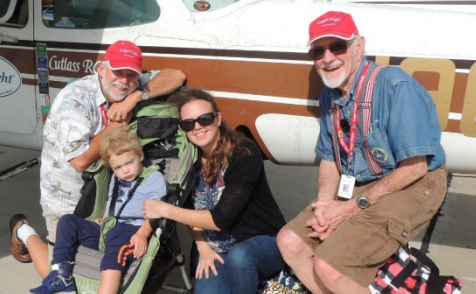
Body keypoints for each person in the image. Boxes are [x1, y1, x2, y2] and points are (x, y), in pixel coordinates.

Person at [276, 11, 447, 294]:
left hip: (414, 185)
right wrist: (323, 207)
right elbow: (330, 157)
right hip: (361, 182)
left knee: (330, 265)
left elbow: (416, 167)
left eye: (337, 46)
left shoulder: (394, 85)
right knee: (289, 242)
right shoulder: (329, 96)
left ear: (359, 46)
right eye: (318, 51)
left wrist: (350, 209)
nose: (327, 57)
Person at [10, 40, 185, 278]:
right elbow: (81, 161)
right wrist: (118, 123)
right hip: (68, 195)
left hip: (110, 192)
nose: (123, 81)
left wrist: (136, 97)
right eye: (117, 72)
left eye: (131, 75)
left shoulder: (130, 85)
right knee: (64, 277)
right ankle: (24, 230)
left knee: (102, 265)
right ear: (100, 68)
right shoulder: (75, 101)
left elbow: (177, 75)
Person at [142, 88, 286, 294]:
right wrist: (203, 248)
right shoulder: (187, 159)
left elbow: (219, 219)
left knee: (240, 258)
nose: (197, 127)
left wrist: (164, 209)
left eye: (205, 119)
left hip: (259, 242)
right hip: (214, 248)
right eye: (188, 123)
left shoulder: (244, 152)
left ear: (218, 119)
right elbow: (191, 213)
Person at [29, 125, 168, 294]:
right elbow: (112, 201)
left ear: (140, 155)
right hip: (109, 228)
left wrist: (143, 233)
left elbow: (157, 211)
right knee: (67, 221)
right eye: (117, 167)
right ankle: (61, 274)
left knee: (114, 257)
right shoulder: (116, 177)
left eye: (129, 163)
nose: (125, 170)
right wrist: (106, 218)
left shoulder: (153, 178)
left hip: (131, 231)